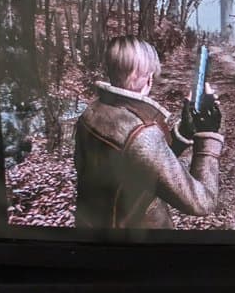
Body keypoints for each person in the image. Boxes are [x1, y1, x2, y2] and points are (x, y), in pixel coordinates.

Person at [74, 36, 223, 229]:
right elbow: (202, 202)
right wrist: (207, 134)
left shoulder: (92, 111)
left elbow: (140, 164)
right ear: (149, 78)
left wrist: (184, 131)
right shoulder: (142, 132)